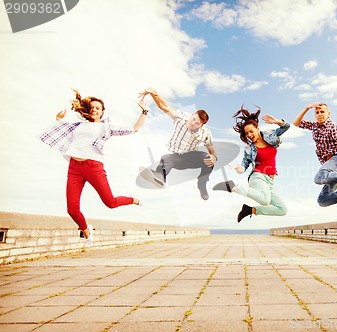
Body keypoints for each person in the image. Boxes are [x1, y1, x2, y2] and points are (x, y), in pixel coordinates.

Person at [39, 89, 147, 245]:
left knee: (110, 203)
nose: (94, 109)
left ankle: (133, 200)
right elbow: (60, 130)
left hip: (93, 167)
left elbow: (135, 129)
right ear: (88, 110)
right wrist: (58, 118)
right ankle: (85, 229)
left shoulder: (106, 128)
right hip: (74, 168)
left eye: (98, 108)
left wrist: (144, 110)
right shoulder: (77, 126)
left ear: (102, 112)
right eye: (92, 107)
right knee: (72, 209)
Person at [212, 107, 289, 222]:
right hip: (258, 177)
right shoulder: (249, 149)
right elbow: (243, 167)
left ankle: (250, 210)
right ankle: (233, 187)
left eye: (251, 131)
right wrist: (238, 168)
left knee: (282, 209)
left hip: (270, 181)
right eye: (247, 133)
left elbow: (286, 127)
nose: (249, 134)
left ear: (257, 129)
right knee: (265, 201)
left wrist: (277, 121)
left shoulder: (270, 135)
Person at [138, 87, 217, 200]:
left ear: (201, 125)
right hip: (178, 158)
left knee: (208, 158)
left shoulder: (205, 133)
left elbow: (212, 151)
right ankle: (160, 178)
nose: (193, 123)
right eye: (193, 119)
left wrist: (213, 157)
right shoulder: (181, 117)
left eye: (197, 123)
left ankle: (202, 183)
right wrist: (154, 94)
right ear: (192, 115)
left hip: (192, 157)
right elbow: (163, 106)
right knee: (165, 158)